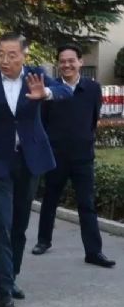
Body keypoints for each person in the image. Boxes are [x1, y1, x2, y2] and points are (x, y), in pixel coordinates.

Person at [0, 33, 73, 307]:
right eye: (0, 54)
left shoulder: (36, 76)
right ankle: (4, 289)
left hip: (29, 161)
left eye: (12, 55)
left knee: (19, 224)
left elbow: (66, 92)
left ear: (24, 55)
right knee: (1, 223)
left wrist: (45, 94)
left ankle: (11, 276)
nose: (5, 60)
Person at [32, 43, 116, 268]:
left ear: (80, 62)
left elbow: (93, 120)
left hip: (82, 157)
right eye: (62, 61)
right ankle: (43, 240)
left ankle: (94, 252)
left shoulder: (92, 89)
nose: (67, 65)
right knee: (50, 200)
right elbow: (43, 121)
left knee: (86, 204)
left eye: (71, 61)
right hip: (56, 156)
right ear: (58, 64)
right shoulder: (50, 90)